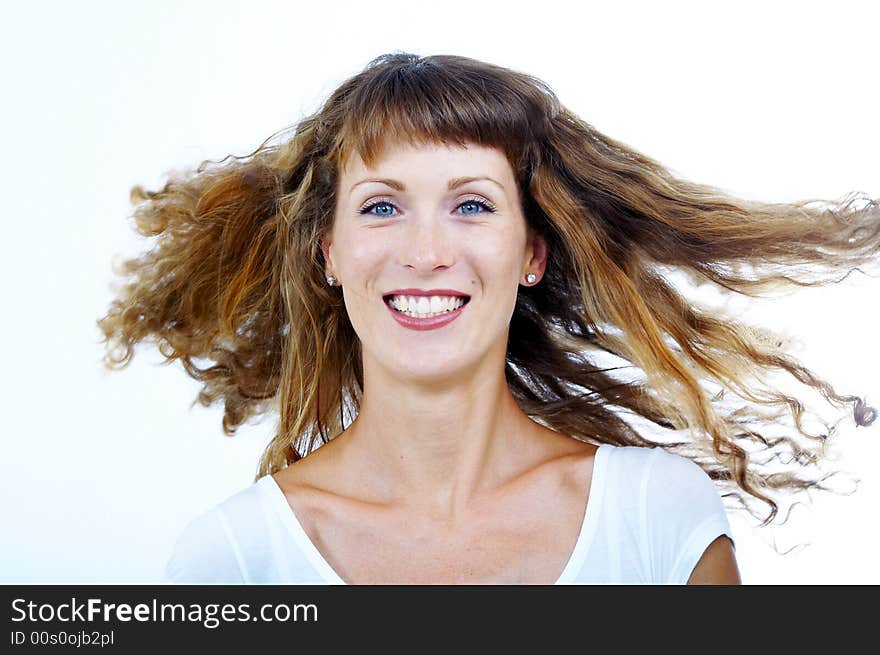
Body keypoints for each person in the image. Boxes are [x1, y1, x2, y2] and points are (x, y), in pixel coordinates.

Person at [97, 52, 879, 584]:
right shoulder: (234, 558)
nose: (427, 251)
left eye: (471, 203)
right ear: (329, 254)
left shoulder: (659, 519)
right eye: (382, 206)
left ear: (531, 253)